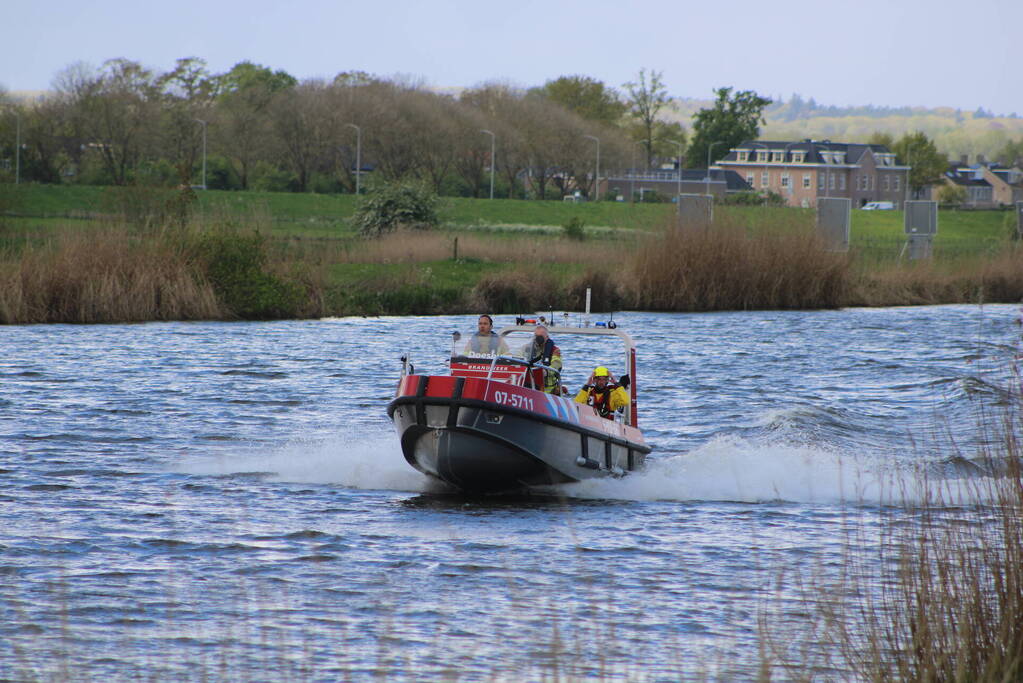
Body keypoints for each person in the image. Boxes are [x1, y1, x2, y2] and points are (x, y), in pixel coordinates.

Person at [522, 324, 562, 394]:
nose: (538, 339)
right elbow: (518, 356)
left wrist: (546, 371)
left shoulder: (555, 350)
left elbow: (556, 366)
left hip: (547, 390)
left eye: (541, 336)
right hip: (529, 385)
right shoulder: (527, 348)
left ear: (547, 337)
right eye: (536, 336)